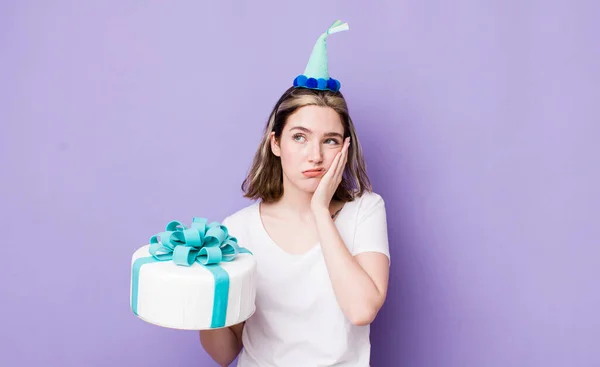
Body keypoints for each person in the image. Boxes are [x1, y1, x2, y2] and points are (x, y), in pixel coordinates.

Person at [199, 20, 390, 367]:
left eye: (329, 140)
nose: (314, 155)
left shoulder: (365, 210)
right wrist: (201, 292)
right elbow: (224, 353)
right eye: (299, 137)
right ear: (276, 142)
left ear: (345, 148)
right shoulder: (240, 230)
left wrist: (319, 210)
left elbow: (362, 309)